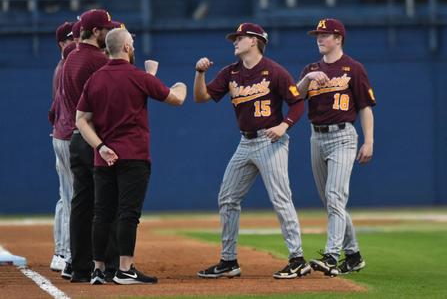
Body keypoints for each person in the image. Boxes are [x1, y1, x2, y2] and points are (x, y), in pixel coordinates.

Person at [194, 23, 311, 279]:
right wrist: (199, 73)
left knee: (281, 198)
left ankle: (298, 259)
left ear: (255, 41)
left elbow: (297, 104)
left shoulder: (274, 71)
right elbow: (201, 97)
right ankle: (228, 260)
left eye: (240, 38)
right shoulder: (230, 73)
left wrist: (284, 125)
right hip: (245, 143)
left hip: (271, 141)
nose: (235, 41)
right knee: (227, 198)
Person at [76, 28, 187, 285]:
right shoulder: (139, 76)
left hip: (103, 157)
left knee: (101, 213)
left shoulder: (95, 79)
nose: (133, 46)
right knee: (128, 213)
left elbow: (81, 120)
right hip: (134, 155)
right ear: (126, 47)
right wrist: (180, 84)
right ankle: (125, 269)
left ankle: (98, 269)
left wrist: (101, 146)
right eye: (132, 43)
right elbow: (176, 99)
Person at [296, 18, 376, 277]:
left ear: (339, 38)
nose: (320, 38)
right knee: (331, 201)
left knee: (335, 197)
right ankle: (353, 255)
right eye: (318, 35)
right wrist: (308, 78)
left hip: (343, 136)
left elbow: (365, 107)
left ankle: (331, 256)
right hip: (316, 137)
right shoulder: (311, 67)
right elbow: (296, 97)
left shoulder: (353, 68)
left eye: (325, 34)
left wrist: (369, 141)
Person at [61, 8, 121, 283]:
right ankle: (109, 266)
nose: (108, 32)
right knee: (106, 205)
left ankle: (80, 267)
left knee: (81, 205)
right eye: (106, 29)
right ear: (96, 31)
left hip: (76, 138)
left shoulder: (70, 57)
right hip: (96, 138)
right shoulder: (98, 60)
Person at [49, 21, 74, 273]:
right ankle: (65, 253)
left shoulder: (65, 65)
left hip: (61, 132)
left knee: (65, 197)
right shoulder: (66, 65)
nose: (74, 42)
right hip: (66, 135)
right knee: (71, 199)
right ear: (61, 43)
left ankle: (60, 251)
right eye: (69, 39)